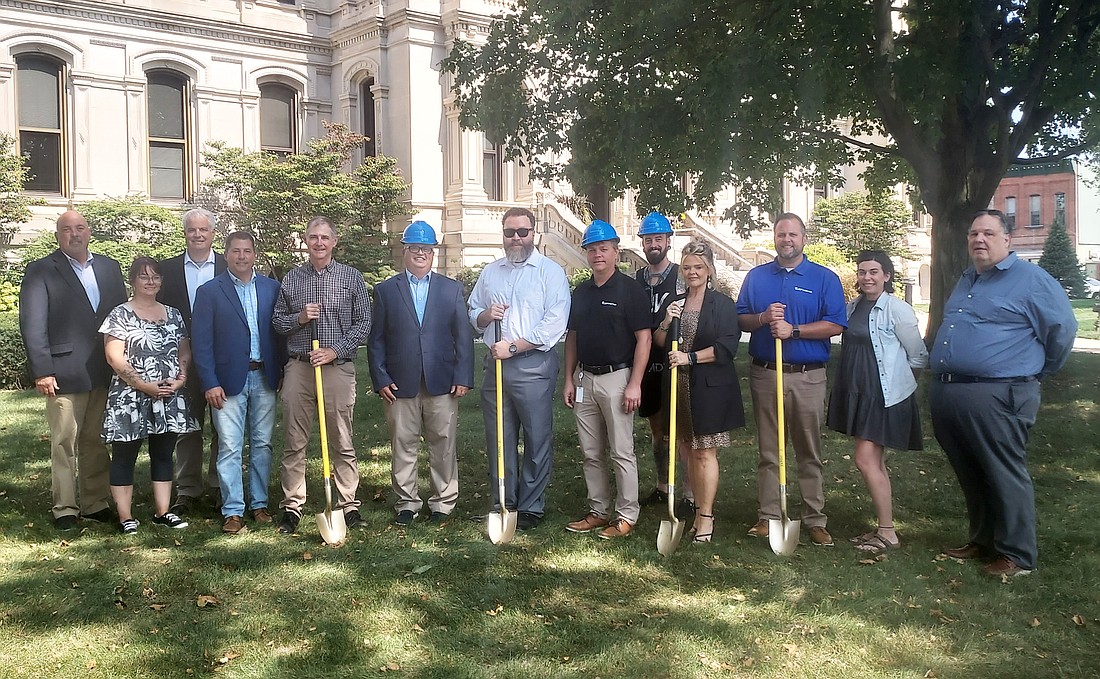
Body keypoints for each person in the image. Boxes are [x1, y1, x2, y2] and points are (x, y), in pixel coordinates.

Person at [930, 209, 1076, 577]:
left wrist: (1039, 370)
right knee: (971, 472)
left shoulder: (1031, 280)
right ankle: (983, 541)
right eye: (974, 233)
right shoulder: (968, 278)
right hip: (953, 392)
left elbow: (1062, 329)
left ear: (1008, 240)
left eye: (989, 234)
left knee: (1003, 472)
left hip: (1000, 394)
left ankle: (1017, 555)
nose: (979, 239)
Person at [736, 212, 846, 546]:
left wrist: (793, 331)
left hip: (807, 377)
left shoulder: (824, 278)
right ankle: (769, 515)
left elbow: (836, 324)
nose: (787, 240)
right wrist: (763, 317)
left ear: (803, 238)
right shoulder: (757, 277)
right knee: (770, 450)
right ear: (775, 238)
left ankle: (814, 518)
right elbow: (740, 319)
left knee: (808, 449)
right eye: (781, 234)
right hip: (766, 374)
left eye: (793, 235)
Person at [19, 211, 127, 530]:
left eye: (80, 228)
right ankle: (65, 506)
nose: (74, 234)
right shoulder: (41, 270)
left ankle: (95, 502)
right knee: (65, 440)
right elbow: (33, 324)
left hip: (103, 370)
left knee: (95, 439)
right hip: (62, 371)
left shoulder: (109, 267)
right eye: (67, 229)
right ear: (58, 235)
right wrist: (42, 370)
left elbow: (120, 317)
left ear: (89, 232)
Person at [468, 207, 570, 531]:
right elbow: (473, 311)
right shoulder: (491, 272)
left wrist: (513, 347)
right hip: (494, 367)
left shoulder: (550, 272)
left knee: (537, 437)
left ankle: (531, 506)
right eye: (509, 232)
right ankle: (505, 499)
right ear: (503, 234)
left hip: (533, 365)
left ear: (533, 234)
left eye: (522, 232)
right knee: (500, 435)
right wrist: (486, 316)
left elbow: (553, 324)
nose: (516, 238)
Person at [367, 221, 474, 526]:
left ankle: (443, 501)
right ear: (405, 251)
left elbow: (462, 336)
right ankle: (407, 502)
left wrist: (462, 376)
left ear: (433, 252)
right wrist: (381, 377)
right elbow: (376, 340)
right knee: (403, 443)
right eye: (414, 248)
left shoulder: (451, 289)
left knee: (443, 442)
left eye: (426, 249)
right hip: (400, 381)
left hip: (442, 380)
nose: (420, 254)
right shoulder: (387, 290)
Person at [272, 216, 372, 535]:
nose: (318, 242)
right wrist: (300, 318)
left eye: (324, 237)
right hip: (300, 367)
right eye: (313, 237)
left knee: (341, 439)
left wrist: (334, 350)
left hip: (336, 368)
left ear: (334, 241)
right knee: (294, 440)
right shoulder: (292, 279)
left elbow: (363, 323)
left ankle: (348, 504)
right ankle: (292, 505)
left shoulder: (350, 277)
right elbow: (277, 323)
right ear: (306, 240)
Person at [826, 250, 927, 554]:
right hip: (856, 390)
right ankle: (884, 529)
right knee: (874, 461)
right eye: (862, 272)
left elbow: (919, 355)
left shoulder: (898, 310)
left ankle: (888, 532)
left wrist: (902, 387)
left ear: (887, 275)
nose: (867, 277)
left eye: (873, 272)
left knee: (865, 460)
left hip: (882, 394)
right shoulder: (853, 306)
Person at [191, 232, 287, 535]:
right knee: (230, 446)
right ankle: (233, 510)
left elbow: (280, 333)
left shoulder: (273, 288)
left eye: (247, 251)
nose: (242, 257)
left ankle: (259, 504)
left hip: (265, 376)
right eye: (235, 252)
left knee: (263, 443)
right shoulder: (209, 292)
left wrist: (281, 371)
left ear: (255, 254)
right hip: (226, 381)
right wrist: (209, 382)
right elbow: (201, 343)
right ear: (226, 254)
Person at [562, 221, 651, 539]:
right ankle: (598, 511)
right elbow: (572, 336)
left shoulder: (631, 291)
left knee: (621, 450)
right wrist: (569, 379)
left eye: (603, 249)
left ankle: (626, 514)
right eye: (591, 249)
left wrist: (635, 383)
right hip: (585, 378)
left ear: (615, 252)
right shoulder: (582, 292)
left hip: (618, 378)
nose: (597, 254)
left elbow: (644, 339)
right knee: (590, 451)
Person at [657, 239, 745, 542]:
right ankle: (696, 510)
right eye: (687, 267)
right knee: (688, 453)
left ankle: (706, 517)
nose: (692, 272)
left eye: (698, 267)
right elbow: (659, 342)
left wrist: (689, 357)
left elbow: (727, 347)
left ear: (709, 269)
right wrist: (668, 320)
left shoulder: (721, 304)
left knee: (705, 454)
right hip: (680, 389)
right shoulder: (677, 301)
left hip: (710, 389)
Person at [100, 257, 197, 534]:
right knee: (125, 453)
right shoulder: (120, 314)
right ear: (133, 280)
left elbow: (184, 351)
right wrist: (143, 385)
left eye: (155, 277)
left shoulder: (174, 313)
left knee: (164, 452)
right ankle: (125, 516)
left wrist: (181, 379)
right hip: (130, 396)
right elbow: (113, 356)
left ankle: (163, 511)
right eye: (144, 277)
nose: (150, 282)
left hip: (167, 393)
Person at [158, 208, 226, 517]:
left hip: (221, 359)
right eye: (191, 230)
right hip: (179, 360)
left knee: (223, 427)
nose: (198, 235)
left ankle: (218, 485)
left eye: (203, 230)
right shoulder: (167, 269)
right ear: (184, 233)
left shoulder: (229, 266)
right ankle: (186, 488)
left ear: (213, 233)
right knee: (186, 426)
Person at [634, 211, 690, 511]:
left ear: (668, 241)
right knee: (657, 430)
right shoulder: (636, 279)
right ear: (642, 243)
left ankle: (689, 494)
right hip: (646, 361)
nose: (653, 244)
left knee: (682, 429)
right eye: (648, 239)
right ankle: (662, 485)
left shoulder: (682, 276)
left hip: (675, 358)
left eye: (659, 238)